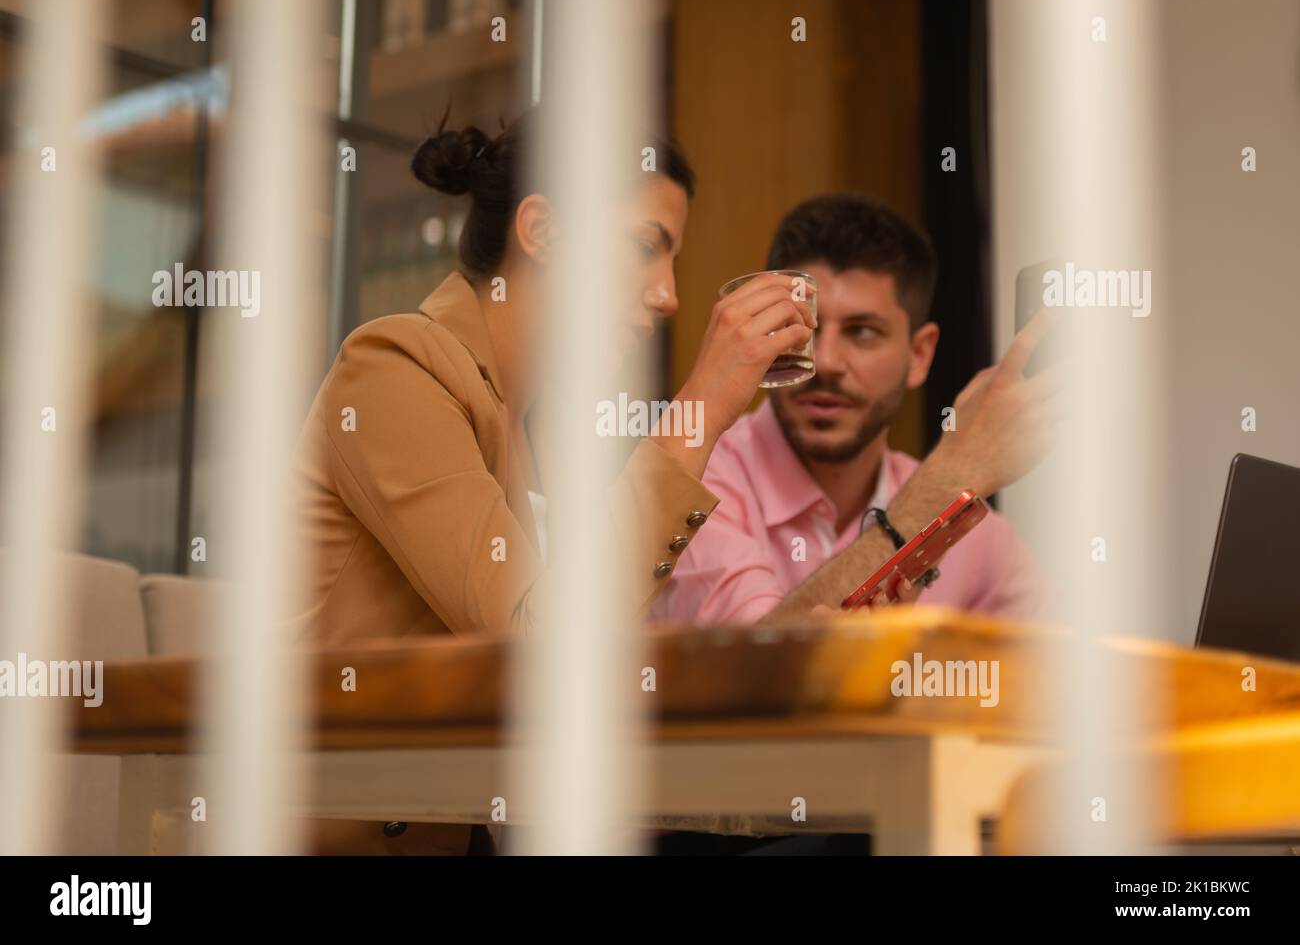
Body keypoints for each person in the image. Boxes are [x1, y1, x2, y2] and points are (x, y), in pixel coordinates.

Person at [289, 110, 814, 853]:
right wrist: (701, 408)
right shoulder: (393, 368)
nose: (667, 296)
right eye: (643, 248)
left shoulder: (545, 427)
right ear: (539, 230)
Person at [652, 194, 1059, 627]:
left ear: (919, 355)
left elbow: (1064, 680)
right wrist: (949, 479)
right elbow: (755, 670)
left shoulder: (980, 540)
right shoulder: (697, 482)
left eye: (862, 332)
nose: (825, 361)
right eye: (803, 325)